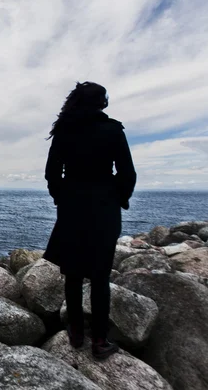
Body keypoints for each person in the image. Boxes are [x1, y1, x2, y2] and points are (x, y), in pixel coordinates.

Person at [43, 81, 136, 360]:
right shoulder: (112, 130)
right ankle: (99, 341)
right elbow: (127, 173)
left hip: (72, 206)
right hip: (104, 208)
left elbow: (51, 174)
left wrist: (62, 197)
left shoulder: (64, 131)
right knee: (99, 276)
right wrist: (119, 197)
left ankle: (75, 332)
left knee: (72, 273)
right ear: (101, 102)